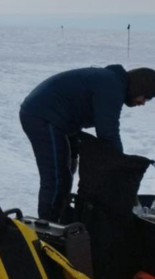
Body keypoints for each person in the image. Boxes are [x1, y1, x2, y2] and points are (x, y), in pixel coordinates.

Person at [19, 65, 155, 221]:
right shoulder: (112, 87)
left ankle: (60, 215)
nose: (143, 102)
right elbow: (108, 132)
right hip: (42, 115)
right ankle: (49, 223)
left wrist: (74, 152)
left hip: (56, 119)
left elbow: (77, 112)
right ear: (139, 87)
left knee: (67, 168)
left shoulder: (112, 82)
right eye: (145, 97)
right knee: (56, 176)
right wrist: (121, 165)